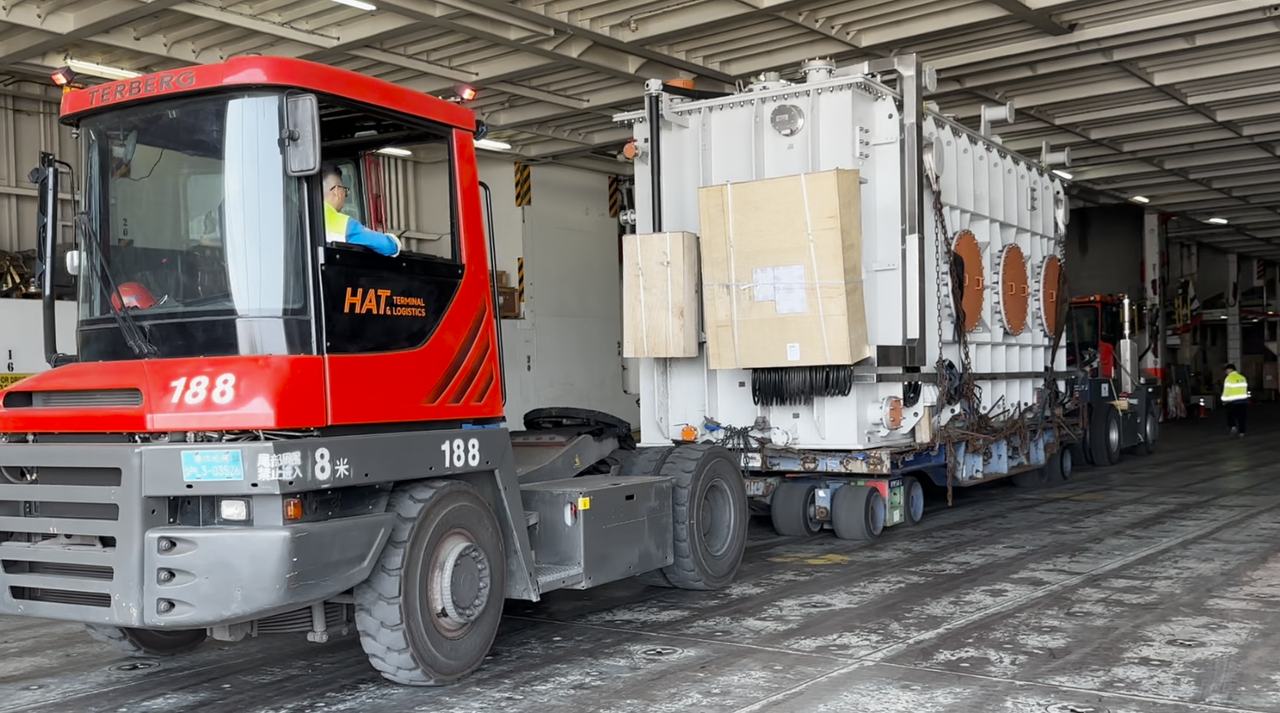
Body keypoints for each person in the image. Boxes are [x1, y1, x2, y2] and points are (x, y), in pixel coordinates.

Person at [321, 163, 402, 257]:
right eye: (345, 191)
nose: (344, 197)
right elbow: (388, 246)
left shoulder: (303, 217)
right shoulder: (342, 224)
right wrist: (394, 240)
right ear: (337, 192)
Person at [1221, 363, 1250, 437]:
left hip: (1232, 401)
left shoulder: (1229, 378)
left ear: (1230, 370)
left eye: (1226, 370)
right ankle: (1242, 432)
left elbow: (1226, 390)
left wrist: (1223, 399)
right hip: (1243, 400)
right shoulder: (1242, 377)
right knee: (1242, 417)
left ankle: (1233, 427)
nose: (1226, 372)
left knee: (1230, 415)